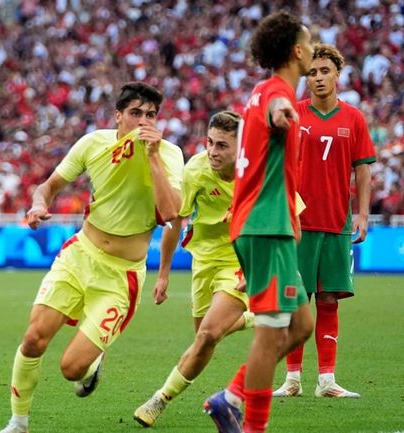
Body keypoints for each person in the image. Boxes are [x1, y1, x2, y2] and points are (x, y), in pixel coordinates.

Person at [0, 82, 184, 433]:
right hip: (80, 254)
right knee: (34, 338)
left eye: (151, 115)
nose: (144, 121)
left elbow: (172, 213)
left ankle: (92, 361)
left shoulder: (170, 154)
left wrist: (153, 156)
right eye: (136, 113)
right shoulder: (93, 143)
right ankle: (18, 423)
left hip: (121, 275)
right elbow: (48, 186)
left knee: (71, 369)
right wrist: (39, 204)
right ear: (118, 116)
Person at [202, 12, 315, 433]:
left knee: (302, 325)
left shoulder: (262, 91)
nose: (312, 48)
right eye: (309, 42)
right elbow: (277, 107)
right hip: (264, 228)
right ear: (296, 50)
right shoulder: (275, 93)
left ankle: (229, 396)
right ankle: (253, 428)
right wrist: (285, 111)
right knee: (270, 335)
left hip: (272, 225)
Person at [133, 111, 254, 428]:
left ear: (241, 148)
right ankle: (254, 317)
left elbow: (289, 215)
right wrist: (163, 273)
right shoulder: (197, 169)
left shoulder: (260, 171)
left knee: (208, 334)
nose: (213, 152)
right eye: (210, 143)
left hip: (240, 261)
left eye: (223, 146)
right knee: (204, 340)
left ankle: (160, 398)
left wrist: (263, 265)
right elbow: (176, 219)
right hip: (204, 260)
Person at [272, 43, 376, 399]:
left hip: (335, 222)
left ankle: (327, 380)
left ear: (337, 75)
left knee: (329, 299)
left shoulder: (354, 119)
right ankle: (292, 379)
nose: (317, 78)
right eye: (312, 72)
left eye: (324, 72)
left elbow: (363, 171)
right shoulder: (293, 115)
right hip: (296, 224)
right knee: (296, 300)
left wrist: (362, 213)